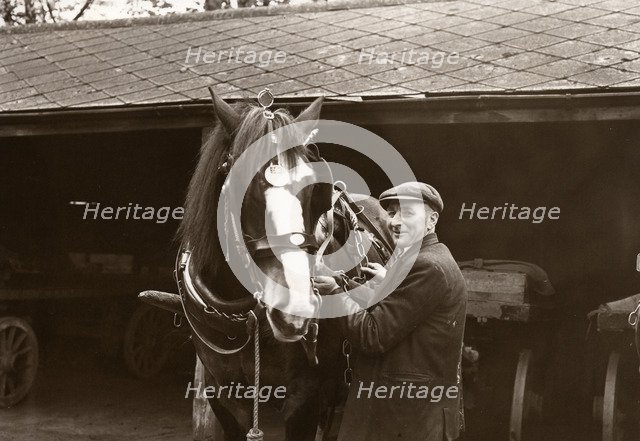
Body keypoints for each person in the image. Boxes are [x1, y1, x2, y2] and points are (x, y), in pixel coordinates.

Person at [312, 181, 467, 441]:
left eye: (407, 213)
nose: (395, 222)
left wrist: (334, 294)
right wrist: (343, 282)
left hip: (406, 420)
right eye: (392, 213)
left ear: (431, 221)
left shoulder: (428, 267)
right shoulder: (422, 258)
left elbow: (373, 334)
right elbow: (390, 304)